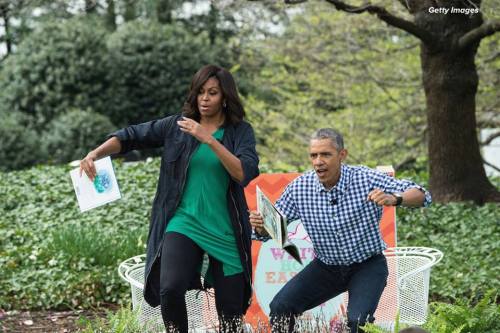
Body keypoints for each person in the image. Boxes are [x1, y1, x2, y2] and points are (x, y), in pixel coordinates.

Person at [80, 65, 259, 332]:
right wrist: (96, 153)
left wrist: (208, 139)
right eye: (200, 92)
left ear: (225, 97)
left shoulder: (240, 132)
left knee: (231, 314)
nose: (204, 99)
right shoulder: (177, 127)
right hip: (183, 221)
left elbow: (243, 172)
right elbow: (131, 136)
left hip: (225, 230)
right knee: (170, 288)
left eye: (212, 93)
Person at [249, 128, 431, 333]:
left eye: (325, 154)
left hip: (367, 266)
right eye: (313, 155)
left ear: (342, 155)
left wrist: (395, 198)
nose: (318, 161)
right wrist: (260, 225)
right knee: (281, 307)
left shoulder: (365, 178)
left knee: (357, 322)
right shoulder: (299, 188)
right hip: (327, 267)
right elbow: (274, 227)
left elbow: (423, 195)